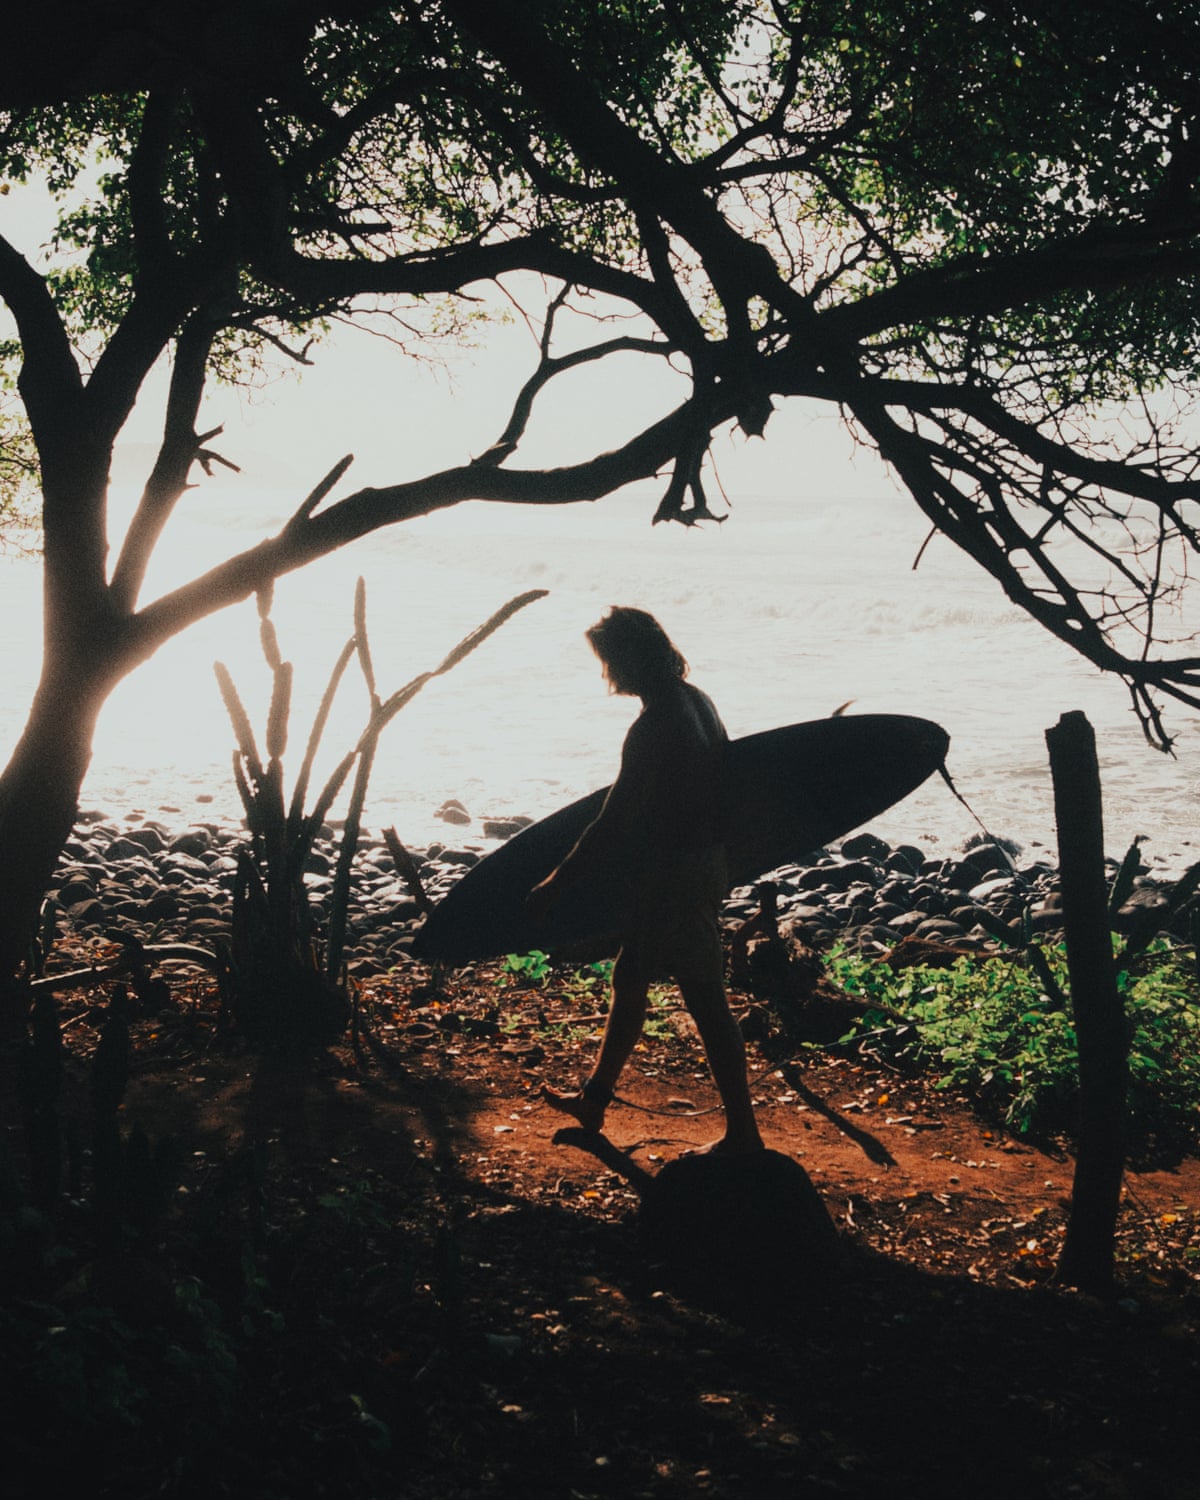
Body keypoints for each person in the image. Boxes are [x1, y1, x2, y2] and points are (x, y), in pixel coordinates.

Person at [527, 607, 764, 1154]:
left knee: (706, 999)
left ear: (633, 657)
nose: (608, 673)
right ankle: (594, 1101)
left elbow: (613, 819)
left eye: (610, 660)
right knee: (629, 980)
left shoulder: (654, 726)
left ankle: (745, 1136)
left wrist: (556, 882)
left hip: (678, 875)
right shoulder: (696, 700)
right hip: (700, 865)